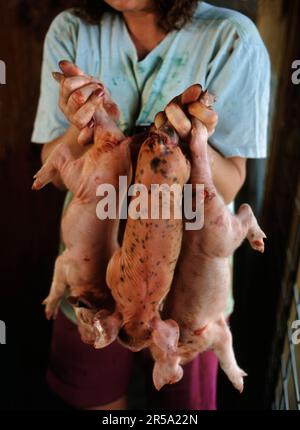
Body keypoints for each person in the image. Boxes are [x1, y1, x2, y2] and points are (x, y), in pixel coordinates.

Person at [32, 0, 270, 410]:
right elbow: (50, 167)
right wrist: (84, 126)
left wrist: (195, 141)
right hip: (90, 281)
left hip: (191, 293)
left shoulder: (233, 40)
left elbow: (230, 184)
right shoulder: (71, 31)